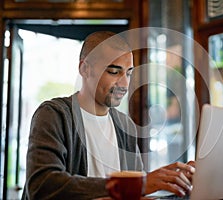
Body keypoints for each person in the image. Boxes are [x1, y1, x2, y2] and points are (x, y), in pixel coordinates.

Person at [22, 31, 195, 200]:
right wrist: (133, 185)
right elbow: (42, 186)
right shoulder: (54, 115)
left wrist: (174, 181)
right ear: (85, 69)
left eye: (128, 73)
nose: (125, 83)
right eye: (114, 72)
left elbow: (136, 190)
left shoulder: (124, 124)